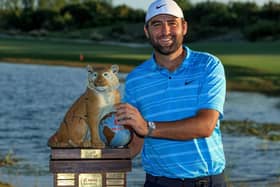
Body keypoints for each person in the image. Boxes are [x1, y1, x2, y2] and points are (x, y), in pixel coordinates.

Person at [115, 0, 227, 186]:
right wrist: (92, 155)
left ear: (184, 27)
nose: (165, 31)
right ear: (147, 31)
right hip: (157, 182)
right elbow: (136, 142)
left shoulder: (208, 65)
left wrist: (148, 127)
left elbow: (205, 126)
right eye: (157, 24)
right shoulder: (136, 79)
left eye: (172, 23)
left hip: (205, 182)